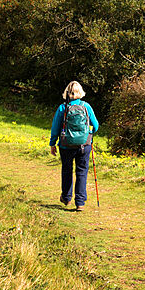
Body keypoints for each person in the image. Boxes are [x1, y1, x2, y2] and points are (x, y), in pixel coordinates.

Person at [49, 81, 99, 211]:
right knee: (81, 172)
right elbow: (96, 125)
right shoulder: (86, 106)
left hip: (66, 145)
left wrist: (52, 143)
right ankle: (80, 202)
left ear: (67, 92)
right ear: (80, 92)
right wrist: (89, 134)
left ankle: (66, 197)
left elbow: (55, 128)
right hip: (84, 145)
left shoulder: (62, 108)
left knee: (67, 170)